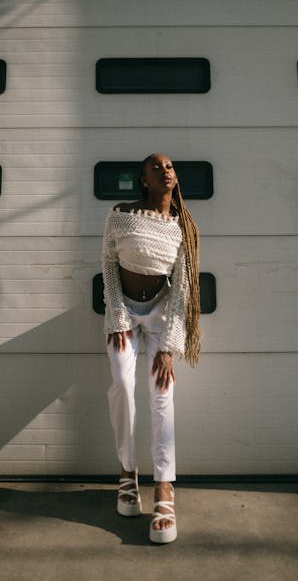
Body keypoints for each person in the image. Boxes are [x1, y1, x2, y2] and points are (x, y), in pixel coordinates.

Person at [102, 152, 201, 543]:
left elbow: (183, 288)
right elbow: (108, 265)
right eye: (156, 168)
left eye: (171, 167)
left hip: (162, 314)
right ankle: (127, 475)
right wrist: (118, 319)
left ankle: (163, 488)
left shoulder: (182, 228)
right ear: (144, 180)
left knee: (162, 395)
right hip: (124, 311)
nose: (166, 172)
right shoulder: (121, 215)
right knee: (123, 388)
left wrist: (168, 347)